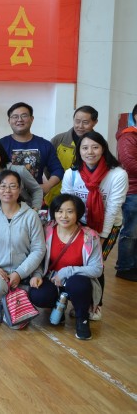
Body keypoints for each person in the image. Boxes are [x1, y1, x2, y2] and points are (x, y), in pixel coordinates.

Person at [62, 131, 128, 319]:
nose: (89, 152)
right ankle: (79, 302)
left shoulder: (118, 174)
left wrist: (101, 236)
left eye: (95, 147)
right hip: (79, 225)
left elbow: (113, 208)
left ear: (103, 149)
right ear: (79, 151)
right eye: (84, 148)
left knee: (95, 264)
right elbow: (67, 203)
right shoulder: (72, 174)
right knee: (77, 262)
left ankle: (95, 305)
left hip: (108, 225)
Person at [29, 194, 103, 340]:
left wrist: (67, 271)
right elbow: (37, 258)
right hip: (52, 278)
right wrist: (37, 275)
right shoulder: (46, 230)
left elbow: (97, 269)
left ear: (78, 214)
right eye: (59, 211)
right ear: (53, 213)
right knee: (38, 294)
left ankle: (82, 319)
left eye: (70, 211)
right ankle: (58, 306)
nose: (64, 216)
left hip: (77, 279)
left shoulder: (90, 236)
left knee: (78, 284)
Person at [0, 170, 46, 323]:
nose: (7, 190)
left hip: (25, 273)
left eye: (12, 186)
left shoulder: (31, 215)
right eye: (3, 186)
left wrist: (19, 273)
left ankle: (16, 299)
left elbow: (39, 249)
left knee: (38, 295)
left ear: (20, 189)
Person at [0, 102, 64, 197]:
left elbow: (58, 170)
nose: (19, 120)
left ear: (32, 119)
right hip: (7, 198)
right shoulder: (1, 144)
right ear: (9, 121)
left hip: (35, 198)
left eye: (24, 116)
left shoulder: (45, 145)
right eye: (15, 116)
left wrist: (48, 185)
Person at [47, 105, 99, 205]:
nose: (80, 126)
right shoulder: (59, 140)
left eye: (85, 122)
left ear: (95, 122)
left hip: (87, 195)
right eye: (77, 121)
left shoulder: (98, 143)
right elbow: (47, 166)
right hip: (57, 194)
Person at [115, 104, 137, 281]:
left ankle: (133, 265)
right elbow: (129, 163)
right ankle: (125, 267)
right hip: (133, 191)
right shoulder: (129, 136)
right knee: (131, 232)